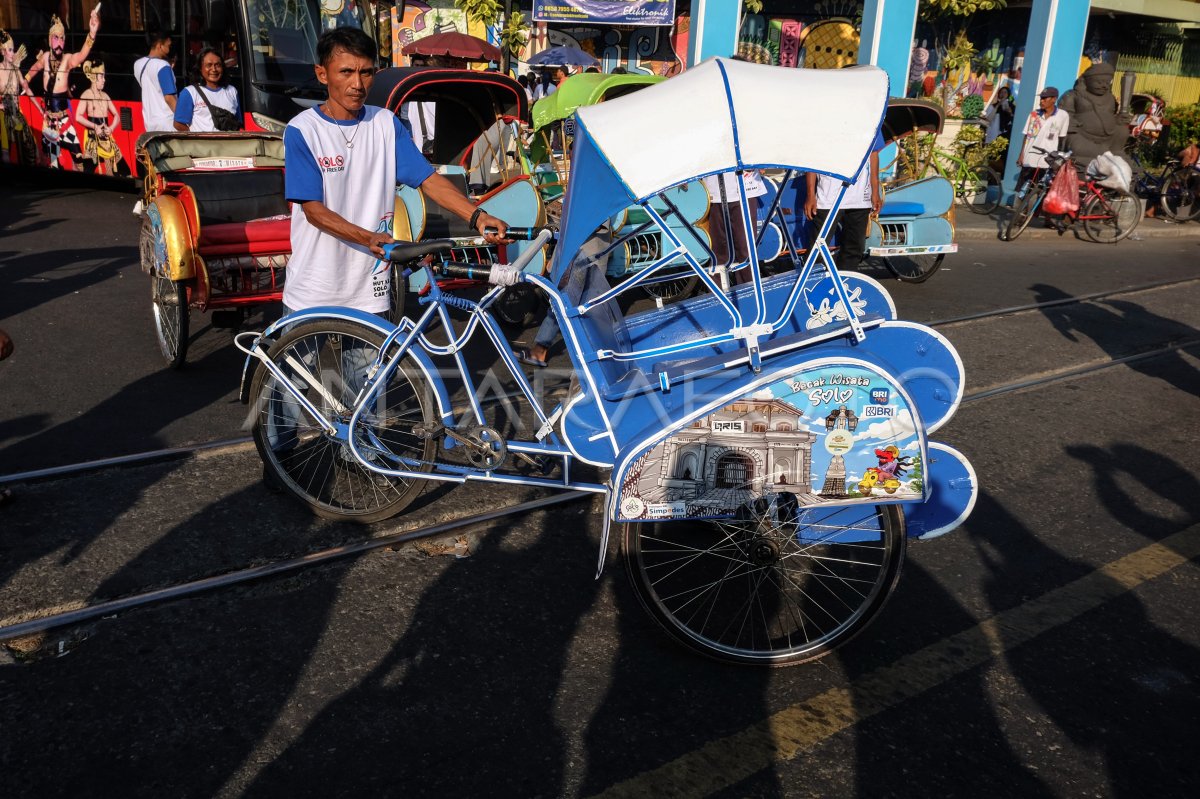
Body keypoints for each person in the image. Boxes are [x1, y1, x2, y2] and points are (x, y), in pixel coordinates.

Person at [283, 26, 509, 316]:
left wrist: (477, 216)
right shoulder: (304, 130)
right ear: (322, 74)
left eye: (366, 72)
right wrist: (368, 238)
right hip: (313, 286)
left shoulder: (386, 124)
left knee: (374, 364)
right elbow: (314, 211)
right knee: (294, 363)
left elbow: (428, 180)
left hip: (369, 285)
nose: (358, 84)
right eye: (346, 72)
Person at [24, 6, 100, 167]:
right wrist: (26, 78)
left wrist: (92, 34)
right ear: (50, 38)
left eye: (62, 39)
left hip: (64, 118)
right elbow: (36, 67)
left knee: (78, 156)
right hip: (48, 119)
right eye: (56, 38)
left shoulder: (67, 60)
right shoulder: (45, 57)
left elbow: (81, 56)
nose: (60, 43)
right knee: (52, 160)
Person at [804, 128, 884, 272]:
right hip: (828, 197)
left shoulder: (872, 114)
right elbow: (812, 157)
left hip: (860, 197)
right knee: (817, 249)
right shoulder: (826, 118)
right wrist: (811, 194)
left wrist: (875, 190)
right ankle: (814, 286)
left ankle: (845, 284)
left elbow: (874, 153)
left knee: (854, 249)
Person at [704, 170, 767, 286]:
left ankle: (749, 293)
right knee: (717, 249)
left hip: (745, 189)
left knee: (745, 249)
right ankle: (718, 295)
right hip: (713, 192)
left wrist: (759, 161)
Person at [75, 60, 128, 174]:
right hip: (92, 138)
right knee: (88, 169)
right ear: (94, 77)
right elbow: (78, 116)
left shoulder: (105, 96)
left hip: (107, 137)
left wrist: (112, 128)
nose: (104, 80)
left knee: (124, 169)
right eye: (102, 76)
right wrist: (95, 126)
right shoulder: (86, 95)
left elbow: (116, 115)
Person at [174, 47, 240, 131]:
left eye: (218, 65)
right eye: (209, 65)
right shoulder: (189, 93)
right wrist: (196, 140)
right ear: (200, 69)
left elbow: (238, 123)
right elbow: (178, 124)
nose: (214, 69)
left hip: (228, 144)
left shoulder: (232, 91)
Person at [1016, 86, 1069, 190]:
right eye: (1041, 98)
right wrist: (1021, 154)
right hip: (1029, 157)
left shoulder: (1063, 116)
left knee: (1040, 190)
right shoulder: (1034, 114)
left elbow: (1062, 139)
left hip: (1047, 160)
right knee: (1023, 190)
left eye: (1045, 98)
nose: (1042, 101)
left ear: (1054, 99)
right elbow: (1026, 135)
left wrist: (1059, 159)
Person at [0, 29, 37, 166]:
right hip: (3, 116)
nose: (13, 53)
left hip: (17, 114)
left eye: (13, 50)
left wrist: (40, 109)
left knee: (30, 148)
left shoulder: (16, 70)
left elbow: (26, 89)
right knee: (5, 154)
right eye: (10, 50)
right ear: (3, 51)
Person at [134, 27, 177, 133]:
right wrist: (183, 120)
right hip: (168, 124)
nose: (170, 49)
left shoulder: (138, 64)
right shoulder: (163, 66)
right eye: (168, 46)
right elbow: (169, 98)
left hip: (150, 124)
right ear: (159, 45)